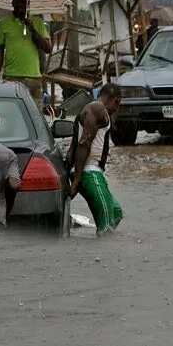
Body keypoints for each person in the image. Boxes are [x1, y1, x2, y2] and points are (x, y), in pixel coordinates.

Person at [69, 83, 123, 235]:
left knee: (116, 212)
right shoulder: (97, 109)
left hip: (93, 172)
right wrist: (77, 179)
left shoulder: (93, 110)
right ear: (115, 100)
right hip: (88, 172)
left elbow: (73, 146)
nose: (117, 109)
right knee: (106, 227)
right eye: (118, 104)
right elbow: (83, 143)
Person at [0, 0, 52, 109]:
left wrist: (32, 29)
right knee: (11, 113)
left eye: (23, 2)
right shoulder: (3, 24)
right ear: (12, 3)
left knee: (35, 116)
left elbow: (48, 48)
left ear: (28, 4)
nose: (20, 4)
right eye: (17, 1)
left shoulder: (37, 22)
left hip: (33, 79)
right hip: (11, 78)